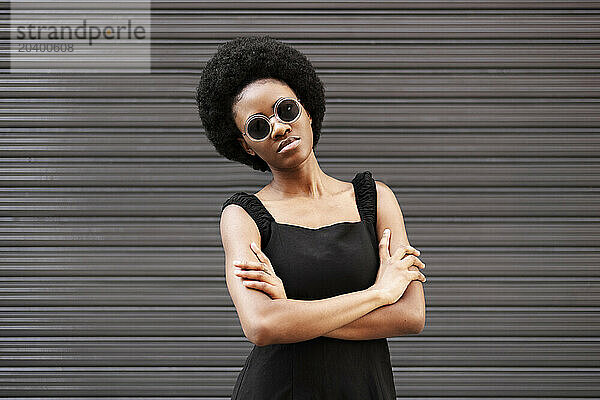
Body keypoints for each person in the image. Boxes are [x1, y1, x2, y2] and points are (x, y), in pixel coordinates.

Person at [195, 35, 427, 400]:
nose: (279, 127)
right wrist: (381, 293)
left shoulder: (376, 199)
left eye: (285, 110)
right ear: (245, 144)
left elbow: (410, 315)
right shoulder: (243, 216)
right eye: (258, 126)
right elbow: (262, 325)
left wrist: (295, 314)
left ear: (305, 108)